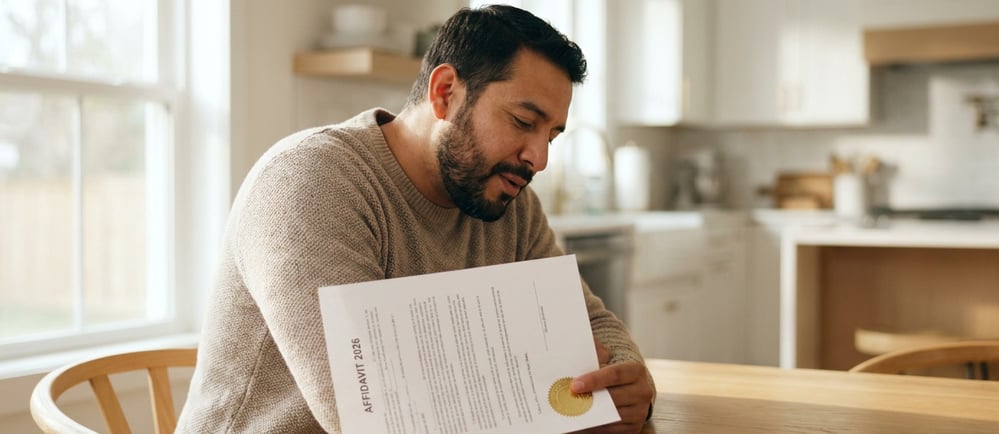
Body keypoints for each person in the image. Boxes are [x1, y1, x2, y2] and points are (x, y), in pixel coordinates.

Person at [178, 5, 655, 433]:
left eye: (552, 134)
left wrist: (627, 380)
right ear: (445, 92)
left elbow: (592, 323)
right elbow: (366, 415)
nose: (539, 158)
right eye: (523, 122)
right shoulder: (312, 182)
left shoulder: (508, 202)